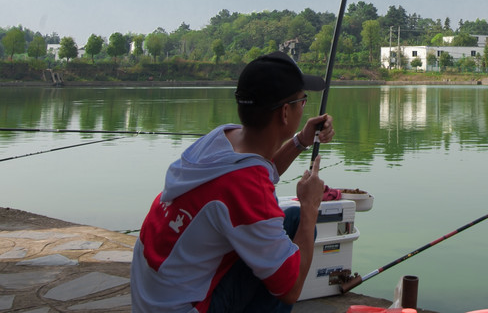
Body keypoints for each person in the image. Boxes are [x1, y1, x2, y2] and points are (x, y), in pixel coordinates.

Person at [131, 52, 335, 313]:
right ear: (285, 112)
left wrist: (301, 140)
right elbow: (290, 288)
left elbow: (260, 170)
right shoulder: (244, 185)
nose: (304, 106)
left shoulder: (221, 138)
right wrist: (310, 207)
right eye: (302, 101)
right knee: (299, 225)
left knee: (290, 220)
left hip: (152, 296)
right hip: (181, 307)